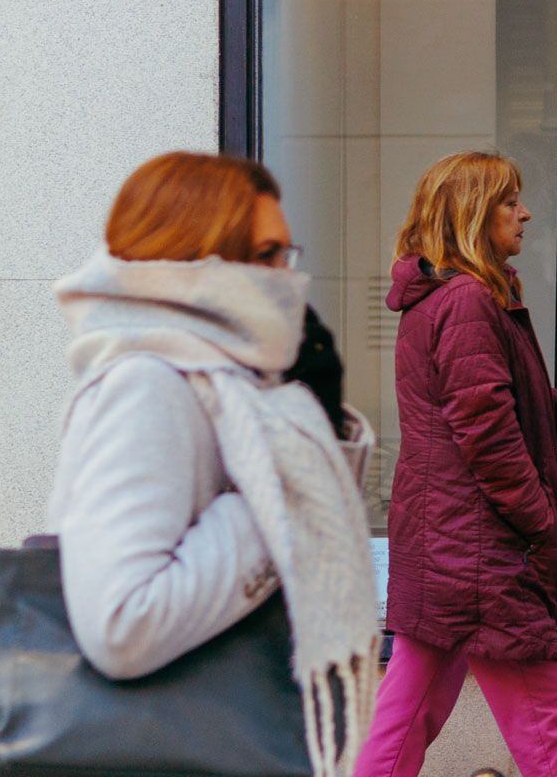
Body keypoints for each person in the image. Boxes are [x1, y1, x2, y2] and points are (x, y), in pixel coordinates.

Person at [48, 151, 381, 777]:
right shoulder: (149, 384)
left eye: (288, 255)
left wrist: (318, 427)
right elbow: (122, 625)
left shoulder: (222, 379)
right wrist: (281, 492)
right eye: (265, 256)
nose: (288, 277)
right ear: (200, 259)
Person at [356, 151, 557, 777]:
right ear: (470, 214)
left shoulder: (448, 297)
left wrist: (553, 412)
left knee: (405, 719)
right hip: (483, 555)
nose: (524, 213)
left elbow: (472, 402)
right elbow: (486, 435)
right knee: (545, 733)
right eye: (508, 201)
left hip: (443, 545)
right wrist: (541, 520)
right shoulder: (468, 301)